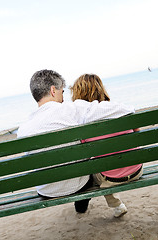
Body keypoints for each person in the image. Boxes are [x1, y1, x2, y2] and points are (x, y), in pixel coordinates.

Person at [17, 69, 135, 215]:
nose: (63, 97)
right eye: (62, 91)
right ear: (53, 90)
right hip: (77, 185)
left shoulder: (23, 129)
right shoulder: (72, 109)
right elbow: (123, 109)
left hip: (46, 190)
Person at [70, 73, 143, 217]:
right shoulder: (121, 109)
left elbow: (83, 151)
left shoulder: (82, 120)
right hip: (136, 169)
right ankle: (116, 205)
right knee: (105, 164)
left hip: (109, 179)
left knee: (94, 170)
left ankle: (116, 204)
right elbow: (138, 134)